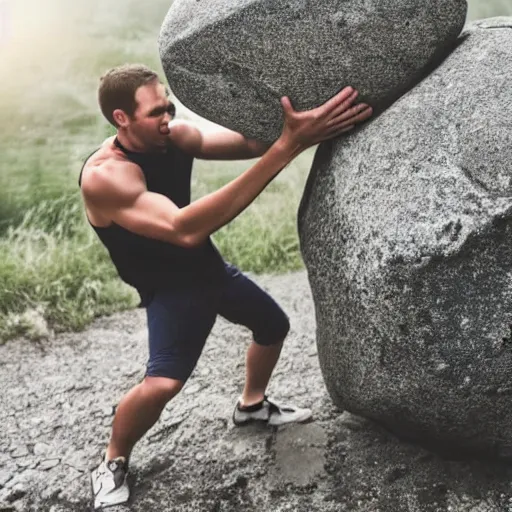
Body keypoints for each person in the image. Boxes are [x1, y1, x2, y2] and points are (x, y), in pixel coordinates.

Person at [79, 63, 372, 509]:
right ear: (122, 118)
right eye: (156, 111)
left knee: (273, 325)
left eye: (169, 106)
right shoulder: (105, 176)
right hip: (172, 290)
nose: (168, 117)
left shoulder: (173, 137)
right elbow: (182, 229)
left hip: (208, 269)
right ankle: (113, 459)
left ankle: (251, 406)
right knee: (162, 385)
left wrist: (302, 111)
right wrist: (289, 146)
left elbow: (253, 143)